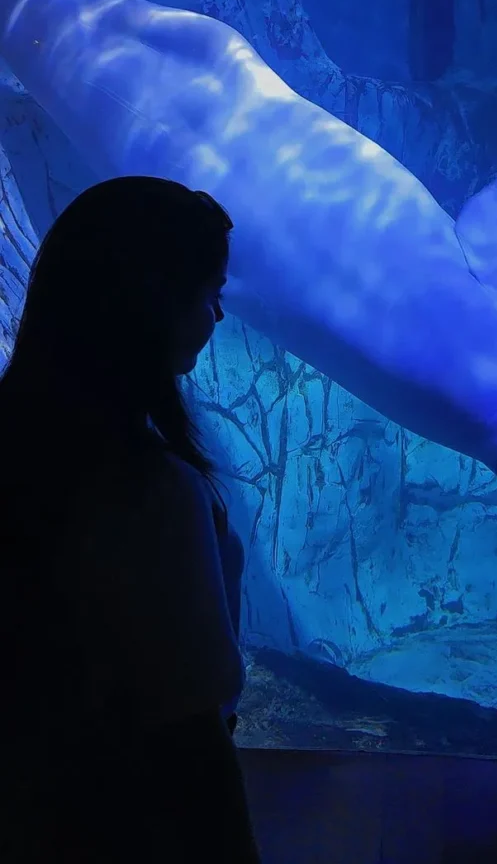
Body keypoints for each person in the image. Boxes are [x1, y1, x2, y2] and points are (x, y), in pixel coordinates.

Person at [0, 176, 261, 862]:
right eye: (209, 295)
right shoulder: (150, 489)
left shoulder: (19, 445)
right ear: (155, 303)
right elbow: (190, 732)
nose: (217, 317)